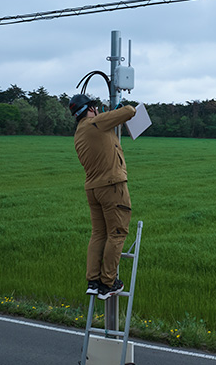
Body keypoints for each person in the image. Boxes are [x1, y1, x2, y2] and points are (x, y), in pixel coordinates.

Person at [69, 93, 137, 300]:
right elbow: (130, 111)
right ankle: (108, 283)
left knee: (98, 234)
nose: (97, 110)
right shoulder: (96, 123)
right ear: (90, 110)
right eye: (95, 107)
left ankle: (93, 280)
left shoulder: (80, 132)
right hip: (112, 186)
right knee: (117, 233)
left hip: (93, 189)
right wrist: (118, 110)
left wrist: (109, 115)